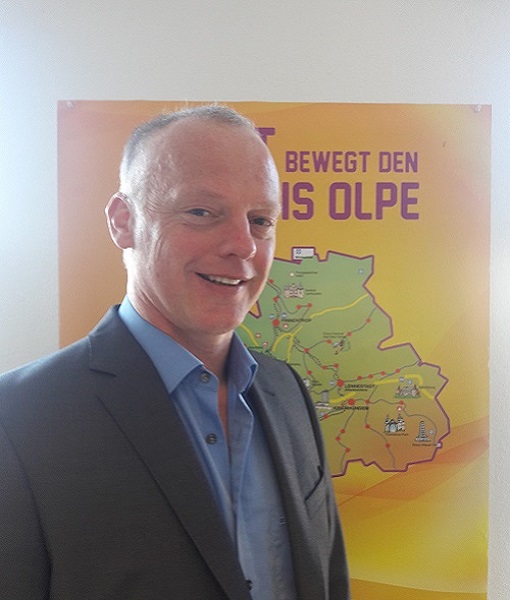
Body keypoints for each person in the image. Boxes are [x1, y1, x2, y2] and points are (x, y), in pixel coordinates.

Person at [0, 105, 350, 599]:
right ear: (124, 222)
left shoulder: (286, 390)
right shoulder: (19, 418)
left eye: (260, 220)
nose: (243, 245)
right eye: (202, 212)